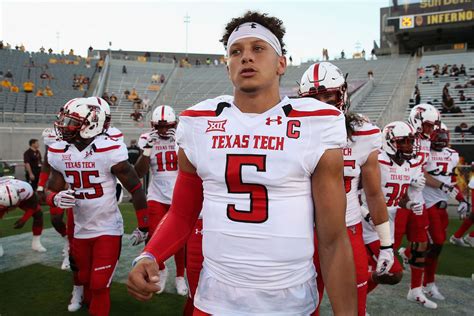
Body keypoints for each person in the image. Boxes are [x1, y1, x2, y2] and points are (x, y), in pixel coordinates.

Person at [127, 11, 357, 315]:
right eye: (236, 51)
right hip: (216, 299)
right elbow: (183, 214)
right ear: (227, 65)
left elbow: (332, 239)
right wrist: (149, 254)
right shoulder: (200, 123)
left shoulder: (316, 124)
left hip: (291, 302)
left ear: (281, 63)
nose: (246, 57)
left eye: (258, 48)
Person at [299, 62, 393, 316]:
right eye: (314, 100)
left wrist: (386, 244)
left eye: (329, 97)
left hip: (349, 232)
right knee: (304, 307)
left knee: (354, 307)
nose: (322, 106)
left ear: (342, 95)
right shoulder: (292, 134)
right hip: (303, 234)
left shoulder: (363, 134)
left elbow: (373, 193)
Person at [46, 97, 149, 316]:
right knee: (83, 278)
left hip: (107, 228)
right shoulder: (58, 151)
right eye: (65, 120)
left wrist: (144, 225)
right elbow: (49, 189)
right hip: (82, 228)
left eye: (72, 122)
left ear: (91, 124)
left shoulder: (109, 149)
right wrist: (54, 199)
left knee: (100, 284)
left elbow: (136, 188)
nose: (65, 126)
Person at [134, 105, 188, 297]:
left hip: (179, 196)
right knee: (153, 236)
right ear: (153, 125)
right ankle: (162, 269)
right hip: (156, 195)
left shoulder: (183, 137)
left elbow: (191, 165)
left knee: (181, 240)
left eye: (168, 126)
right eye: (159, 127)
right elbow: (138, 173)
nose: (164, 131)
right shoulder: (146, 139)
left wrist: (178, 143)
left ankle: (180, 276)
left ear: (175, 124)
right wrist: (148, 148)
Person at [362, 121, 421, 294]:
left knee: (379, 270)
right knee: (393, 272)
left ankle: (357, 302)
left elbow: (398, 197)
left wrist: (409, 203)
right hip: (368, 225)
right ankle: (353, 299)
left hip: (388, 225)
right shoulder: (378, 161)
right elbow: (354, 193)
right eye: (403, 141)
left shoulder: (408, 165)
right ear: (389, 142)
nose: (409, 146)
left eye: (411, 141)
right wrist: (366, 215)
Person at [396, 103, 440, 309]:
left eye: (434, 126)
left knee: (422, 244)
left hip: (418, 197)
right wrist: (408, 178)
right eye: (429, 125)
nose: (431, 130)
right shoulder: (402, 132)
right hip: (400, 198)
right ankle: (360, 293)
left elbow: (420, 167)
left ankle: (415, 290)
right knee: (388, 248)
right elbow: (389, 161)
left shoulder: (425, 141)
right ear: (418, 119)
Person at [422, 123, 470, 299]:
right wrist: (444, 186)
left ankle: (409, 254)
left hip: (441, 205)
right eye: (438, 136)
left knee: (430, 245)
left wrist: (461, 199)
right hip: (426, 204)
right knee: (437, 244)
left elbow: (450, 179)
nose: (441, 141)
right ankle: (428, 284)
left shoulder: (452, 155)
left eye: (443, 137)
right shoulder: (424, 151)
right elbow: (422, 174)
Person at [0, 177, 47, 253]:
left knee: (38, 213)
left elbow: (34, 205)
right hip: (2, 202)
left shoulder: (25, 188)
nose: (11, 209)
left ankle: (36, 243)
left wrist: (24, 219)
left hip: (18, 194)